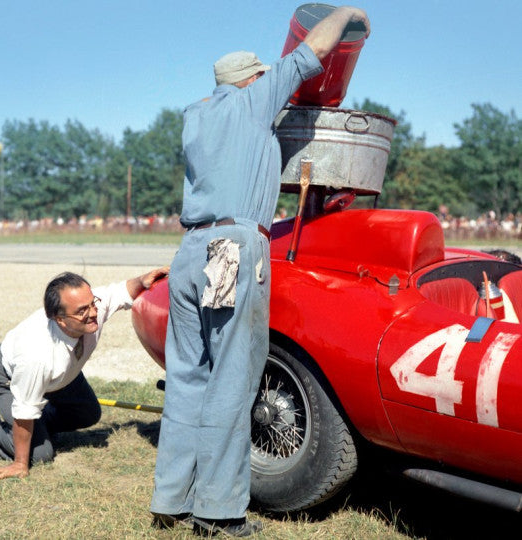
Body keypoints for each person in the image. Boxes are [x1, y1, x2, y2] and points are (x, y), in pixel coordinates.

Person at [149, 6, 370, 537]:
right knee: (232, 376)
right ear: (252, 80)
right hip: (231, 248)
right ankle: (218, 511)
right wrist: (346, 13)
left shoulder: (197, 116)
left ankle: (170, 499)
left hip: (190, 250)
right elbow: (312, 52)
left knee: (187, 377)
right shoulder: (252, 102)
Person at [0, 266, 169, 480]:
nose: (93, 313)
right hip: (9, 377)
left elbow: (121, 291)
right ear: (60, 319)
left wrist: (142, 280)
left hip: (59, 376)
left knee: (88, 413)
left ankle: (39, 428)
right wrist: (20, 464)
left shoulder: (90, 307)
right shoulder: (37, 355)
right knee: (41, 454)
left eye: (93, 303)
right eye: (82, 311)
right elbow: (24, 409)